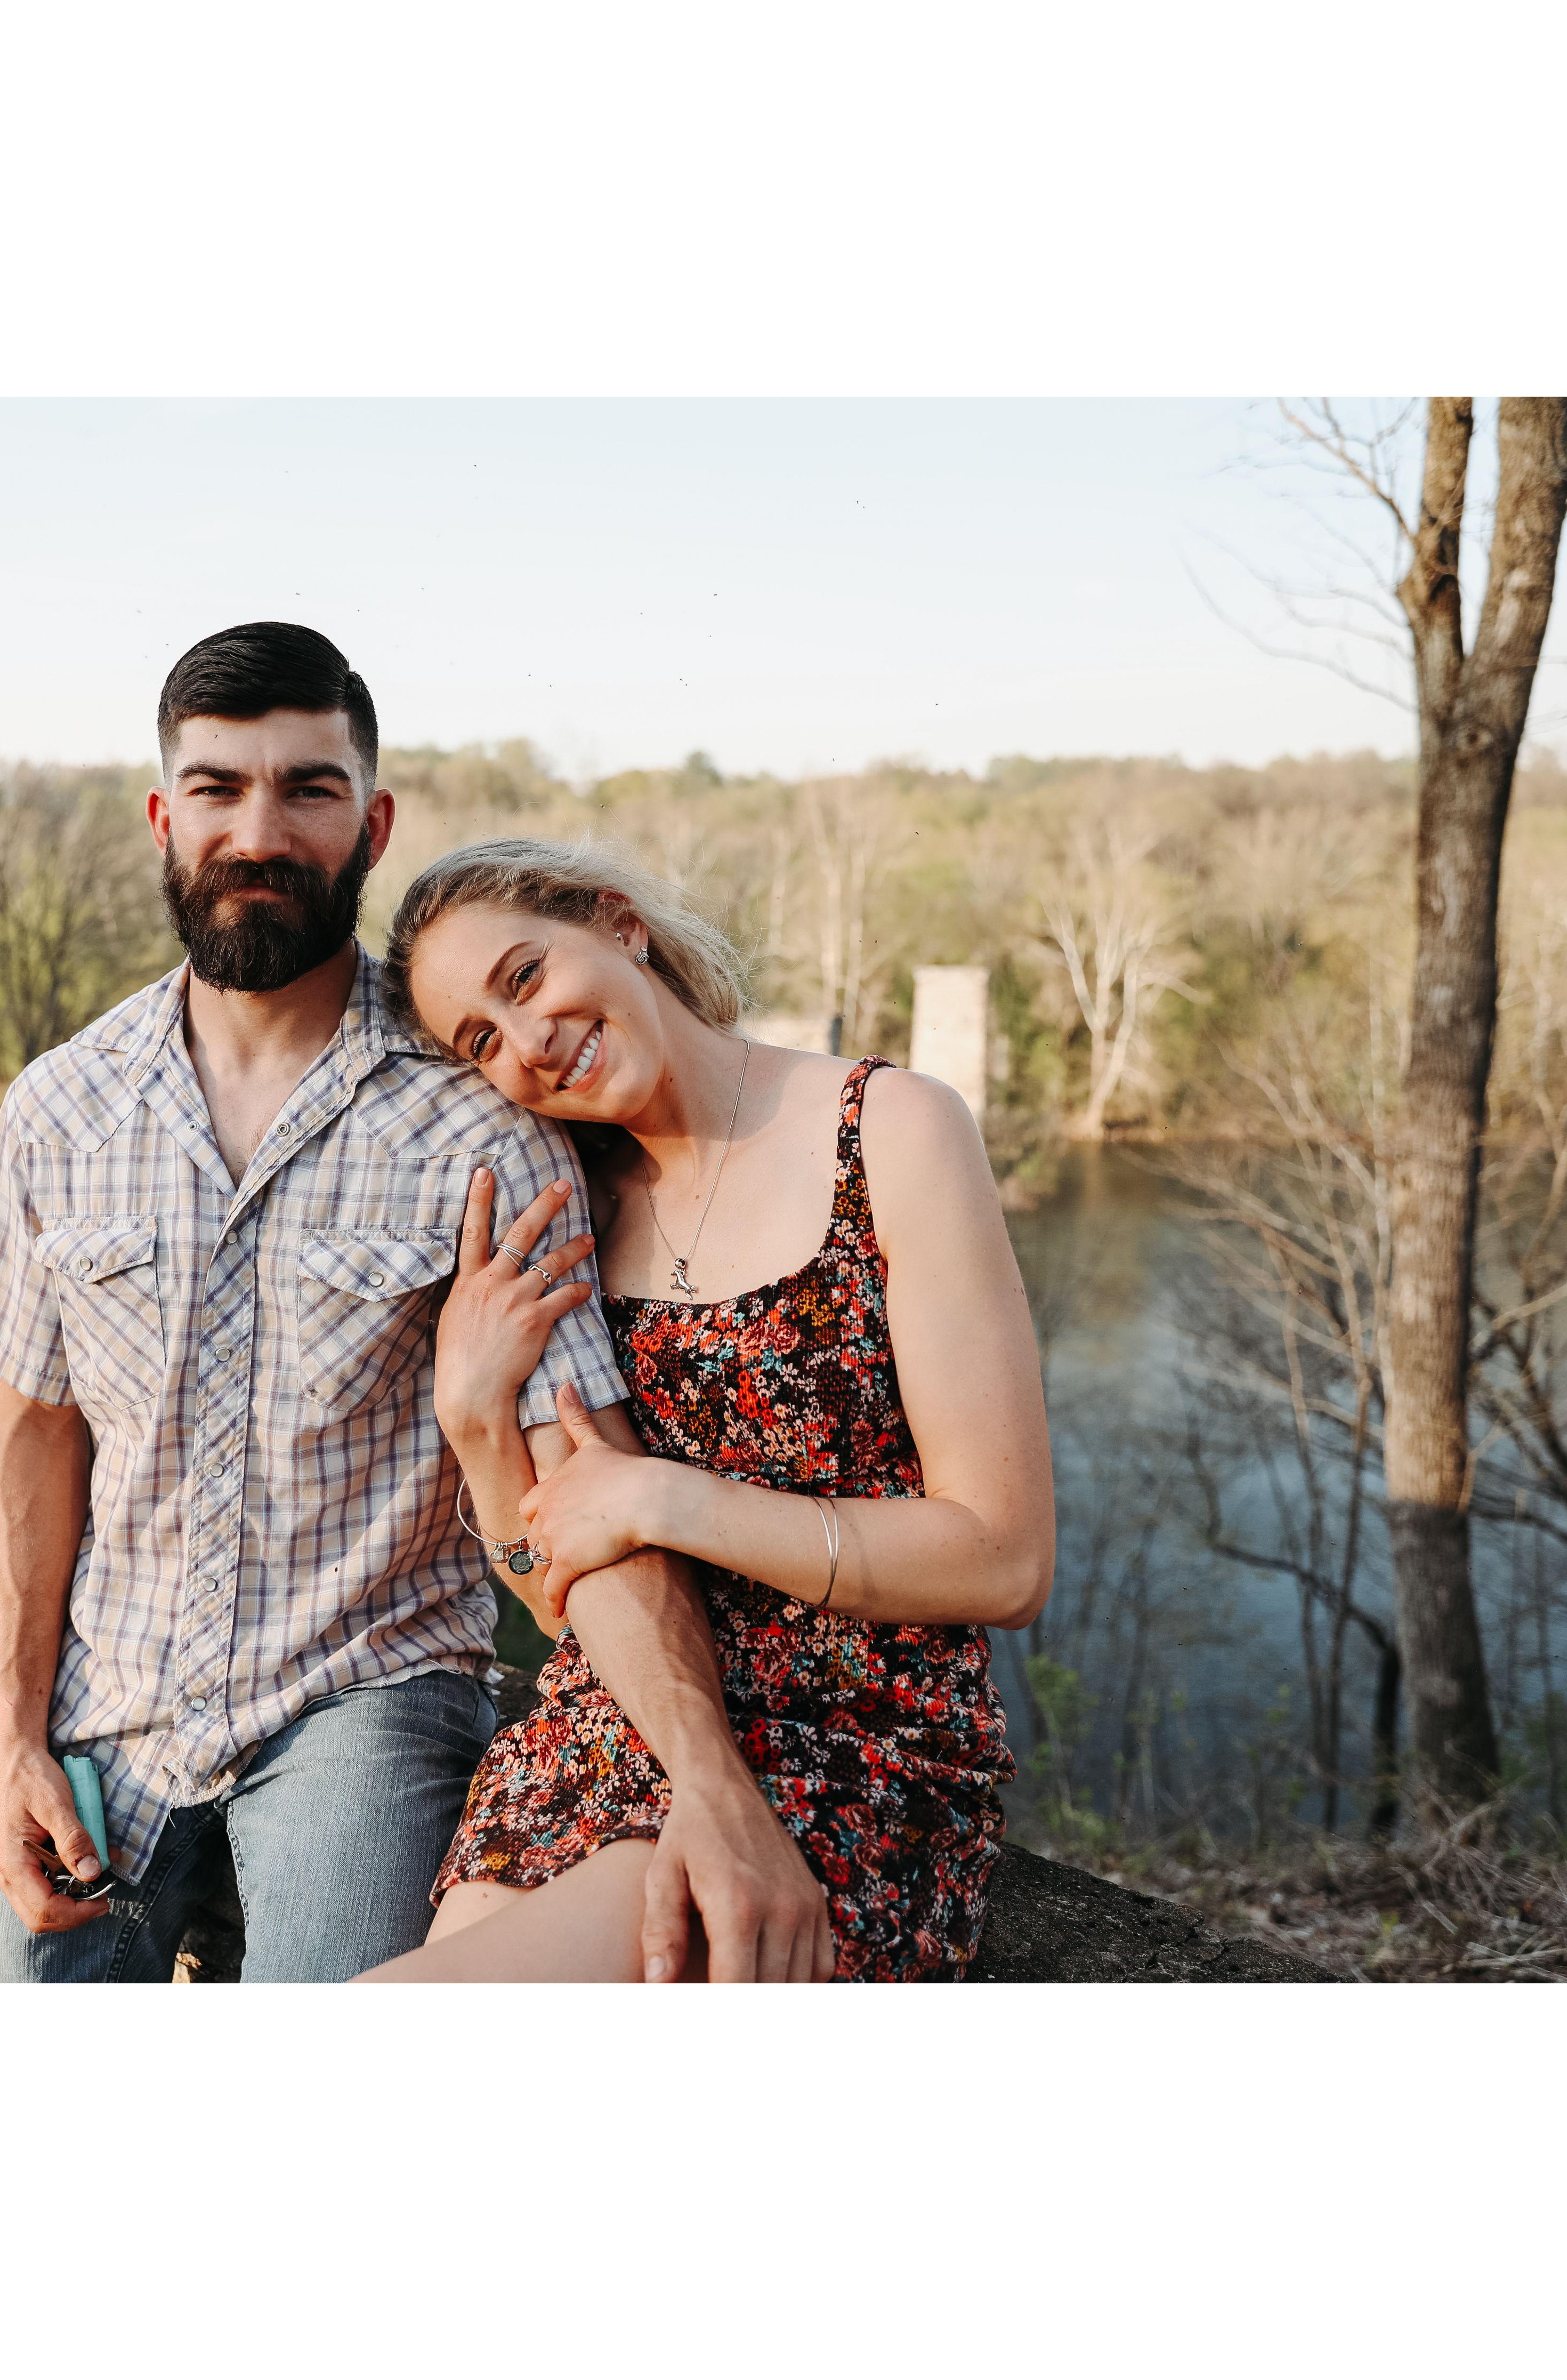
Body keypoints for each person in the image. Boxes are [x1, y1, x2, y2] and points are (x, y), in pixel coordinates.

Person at [0, 624, 794, 1982]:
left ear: (372, 824)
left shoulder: (485, 1121)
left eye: (308, 789)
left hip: (367, 1702)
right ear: (165, 819)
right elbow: (34, 1427)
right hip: (111, 1708)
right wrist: (11, 1737)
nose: (259, 832)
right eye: (219, 789)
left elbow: (587, 1479)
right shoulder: (60, 1108)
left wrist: (712, 1784)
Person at [356, 839, 1054, 1981]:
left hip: (849, 1747)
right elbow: (564, 1596)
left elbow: (1003, 1559)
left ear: (618, 922)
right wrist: (478, 1427)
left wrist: (663, 1498)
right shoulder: (568, 1213)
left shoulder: (893, 1131)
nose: (529, 1042)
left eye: (526, 976)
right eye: (480, 1041)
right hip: (613, 1723)